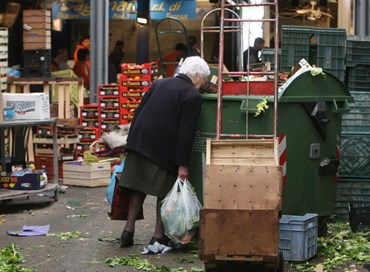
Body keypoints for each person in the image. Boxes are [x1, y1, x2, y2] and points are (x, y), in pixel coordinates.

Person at [118, 56, 210, 248]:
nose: (203, 85)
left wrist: (130, 143)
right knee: (165, 190)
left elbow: (138, 112)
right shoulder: (192, 96)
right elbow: (186, 133)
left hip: (139, 141)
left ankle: (128, 230)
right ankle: (158, 236)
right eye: (203, 80)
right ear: (195, 75)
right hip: (162, 148)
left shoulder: (159, 83)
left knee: (138, 186)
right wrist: (183, 165)